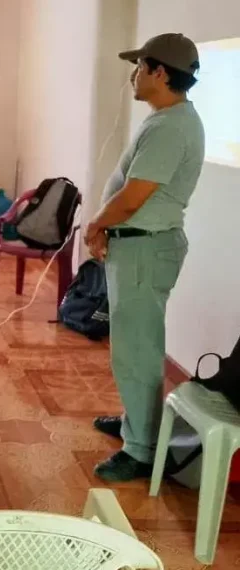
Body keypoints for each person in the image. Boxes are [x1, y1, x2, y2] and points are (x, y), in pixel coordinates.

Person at [84, 33, 204, 482]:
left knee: (137, 350)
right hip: (138, 246)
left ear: (159, 72)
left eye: (139, 67)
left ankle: (141, 450)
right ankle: (137, 424)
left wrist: (96, 225)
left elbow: (134, 197)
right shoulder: (167, 119)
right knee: (135, 346)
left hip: (144, 249)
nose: (133, 75)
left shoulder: (171, 127)